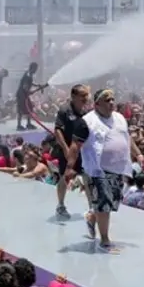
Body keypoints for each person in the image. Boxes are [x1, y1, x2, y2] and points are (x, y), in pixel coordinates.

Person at [75, 88, 140, 253]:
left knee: (109, 203)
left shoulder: (119, 118)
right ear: (97, 104)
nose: (111, 103)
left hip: (117, 168)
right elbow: (76, 145)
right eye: (107, 100)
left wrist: (138, 154)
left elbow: (127, 138)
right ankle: (104, 240)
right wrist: (70, 167)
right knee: (104, 204)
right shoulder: (87, 121)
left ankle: (91, 217)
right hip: (98, 170)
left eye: (112, 99)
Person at [54, 84, 90, 221]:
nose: (85, 98)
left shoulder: (86, 112)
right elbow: (58, 131)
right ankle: (61, 205)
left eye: (87, 95)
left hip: (81, 151)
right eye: (82, 95)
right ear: (73, 96)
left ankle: (92, 208)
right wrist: (65, 149)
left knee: (87, 178)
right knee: (65, 177)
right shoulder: (64, 110)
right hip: (67, 151)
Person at [15, 63, 46, 131]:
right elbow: (25, 86)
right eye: (36, 69)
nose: (36, 70)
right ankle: (19, 126)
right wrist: (29, 92)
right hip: (21, 94)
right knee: (20, 109)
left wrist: (37, 85)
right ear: (33, 68)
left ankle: (28, 124)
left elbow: (30, 83)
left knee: (30, 108)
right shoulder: (28, 74)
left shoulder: (30, 74)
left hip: (24, 94)